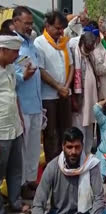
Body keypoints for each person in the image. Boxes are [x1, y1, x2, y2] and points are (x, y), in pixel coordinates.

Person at [32, 127, 106, 214]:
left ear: (82, 146)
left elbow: (98, 198)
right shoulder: (53, 167)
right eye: (69, 147)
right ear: (63, 146)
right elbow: (38, 203)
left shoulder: (91, 165)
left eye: (77, 147)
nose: (73, 152)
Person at [34, 11, 74, 163]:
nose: (60, 31)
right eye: (57, 28)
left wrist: (66, 87)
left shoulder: (64, 42)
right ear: (47, 26)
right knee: (51, 134)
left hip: (64, 94)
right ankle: (52, 166)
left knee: (66, 131)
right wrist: (58, 87)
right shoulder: (39, 43)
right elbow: (41, 70)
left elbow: (70, 65)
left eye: (62, 28)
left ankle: (66, 162)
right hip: (48, 96)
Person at [12, 6, 42, 198]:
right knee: (21, 150)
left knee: (33, 148)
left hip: (36, 104)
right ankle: (21, 184)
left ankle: (31, 181)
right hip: (21, 104)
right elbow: (9, 74)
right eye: (27, 23)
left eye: (31, 23)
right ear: (15, 22)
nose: (30, 27)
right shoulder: (12, 46)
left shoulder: (32, 44)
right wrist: (23, 76)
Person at [0, 30, 29, 213]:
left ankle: (15, 202)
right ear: (3, 50)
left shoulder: (10, 68)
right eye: (14, 52)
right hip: (1, 130)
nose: (17, 56)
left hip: (14, 127)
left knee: (15, 169)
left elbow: (14, 94)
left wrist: (20, 117)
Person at [72, 31, 98, 154]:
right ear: (82, 43)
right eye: (88, 47)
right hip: (80, 100)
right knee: (80, 127)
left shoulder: (89, 56)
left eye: (91, 47)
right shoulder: (75, 54)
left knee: (89, 127)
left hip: (91, 100)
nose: (90, 50)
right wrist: (74, 99)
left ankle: (87, 154)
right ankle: (80, 155)